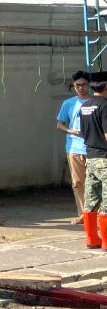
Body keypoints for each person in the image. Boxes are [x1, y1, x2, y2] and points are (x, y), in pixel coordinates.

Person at [56, 71, 91, 223]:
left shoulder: (97, 102)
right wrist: (71, 131)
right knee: (78, 182)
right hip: (74, 148)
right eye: (77, 85)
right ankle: (83, 214)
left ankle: (96, 215)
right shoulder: (68, 103)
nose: (80, 88)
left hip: (94, 148)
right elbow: (60, 124)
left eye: (83, 85)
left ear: (89, 85)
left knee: (96, 183)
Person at [79, 72, 107, 249]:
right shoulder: (105, 106)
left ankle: (91, 239)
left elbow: (83, 132)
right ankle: (106, 240)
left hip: (91, 157)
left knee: (90, 199)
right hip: (105, 158)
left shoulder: (85, 106)